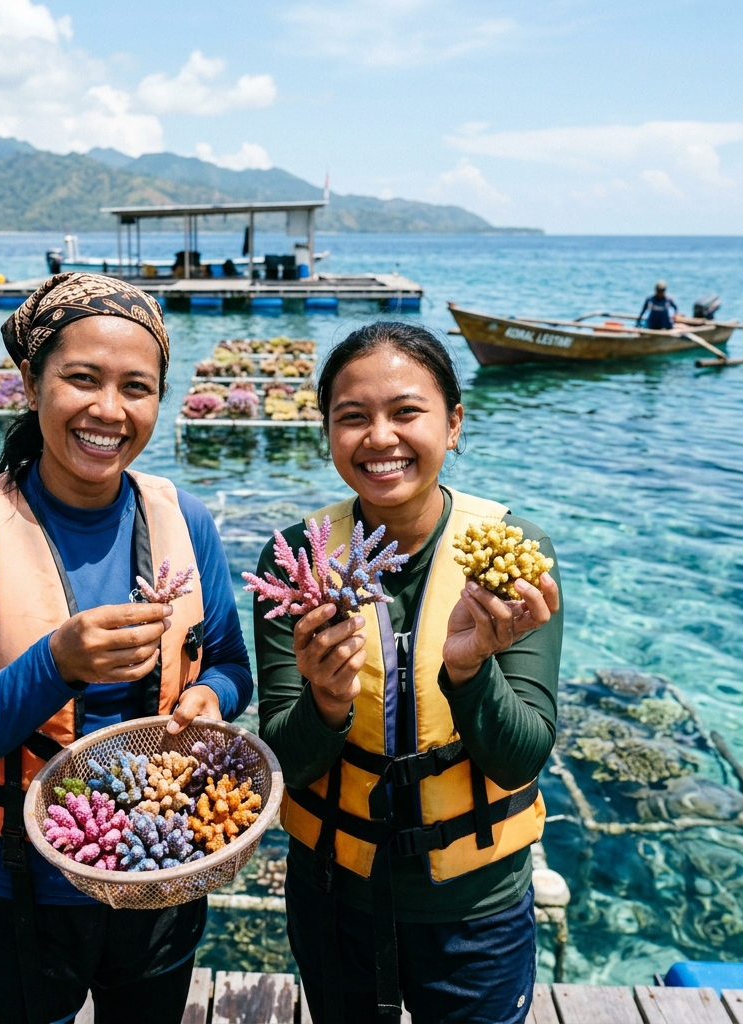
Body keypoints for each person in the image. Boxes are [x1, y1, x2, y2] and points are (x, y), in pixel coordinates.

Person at [0, 273, 253, 1024]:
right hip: (13, 888)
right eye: (82, 379)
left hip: (162, 868)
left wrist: (211, 697)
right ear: (32, 383)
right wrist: (55, 663)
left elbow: (230, 663)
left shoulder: (183, 519)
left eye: (136, 387)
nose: (109, 410)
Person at [254, 323, 563, 1024]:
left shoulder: (512, 556)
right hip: (333, 894)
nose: (380, 438)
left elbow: (520, 758)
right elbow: (285, 763)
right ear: (327, 430)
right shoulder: (294, 566)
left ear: (454, 423)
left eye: (407, 412)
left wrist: (471, 668)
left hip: (473, 906)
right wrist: (327, 701)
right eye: (353, 417)